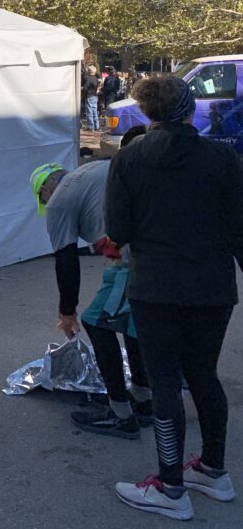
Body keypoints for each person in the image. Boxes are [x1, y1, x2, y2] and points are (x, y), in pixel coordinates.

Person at [106, 75, 243, 520]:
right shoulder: (222, 157)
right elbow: (239, 227)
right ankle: (214, 470)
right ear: (190, 109)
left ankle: (170, 487)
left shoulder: (128, 159)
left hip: (156, 287)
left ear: (146, 113)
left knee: (165, 382)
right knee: (204, 374)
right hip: (212, 286)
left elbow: (119, 231)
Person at [29, 125, 152, 441]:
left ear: (45, 191)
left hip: (134, 257)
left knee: (97, 321)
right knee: (131, 322)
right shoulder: (96, 169)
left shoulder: (57, 203)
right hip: (158, 246)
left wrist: (66, 312)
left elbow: (67, 260)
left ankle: (121, 414)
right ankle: (143, 399)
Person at [83, 65, 101, 131]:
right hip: (95, 96)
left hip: (89, 95)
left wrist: (83, 91)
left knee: (89, 112)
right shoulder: (96, 78)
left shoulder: (88, 78)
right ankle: (97, 126)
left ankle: (91, 127)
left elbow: (85, 88)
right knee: (95, 111)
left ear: (89, 71)